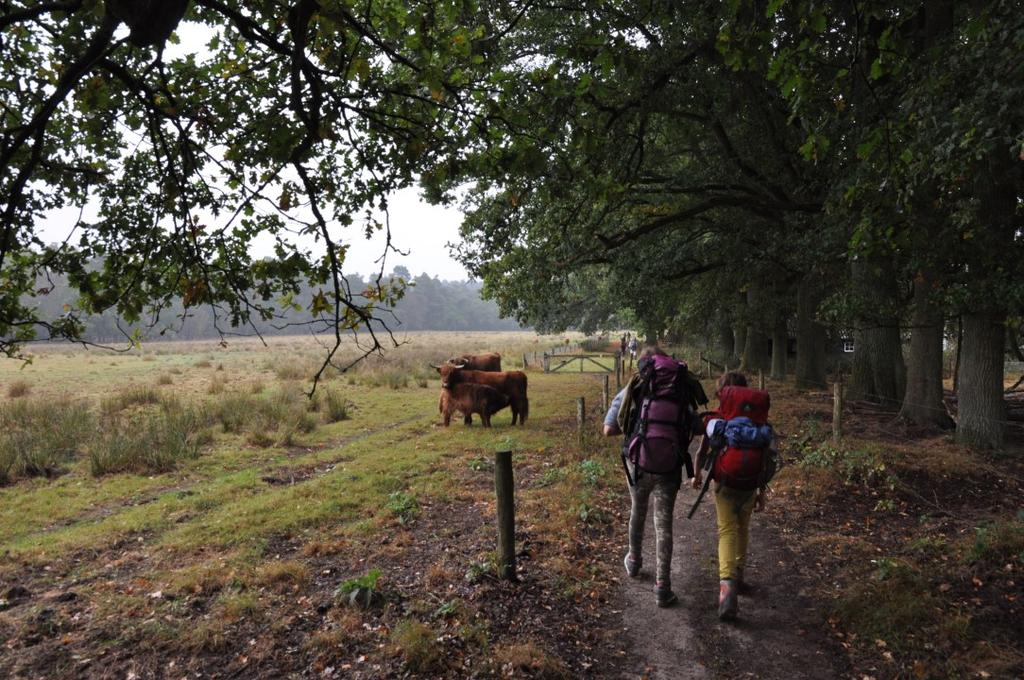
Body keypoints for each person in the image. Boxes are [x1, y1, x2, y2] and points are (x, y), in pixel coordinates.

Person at [603, 345, 706, 607]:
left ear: (643, 366)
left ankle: (634, 561)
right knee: (664, 524)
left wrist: (636, 430)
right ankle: (663, 587)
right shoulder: (678, 391)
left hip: (638, 463)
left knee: (638, 510)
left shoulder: (634, 387)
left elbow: (608, 429)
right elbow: (696, 426)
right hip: (669, 467)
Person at [691, 371, 769, 621]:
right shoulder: (758, 421)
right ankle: (739, 575)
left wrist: (697, 475)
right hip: (749, 483)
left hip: (725, 482)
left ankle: (727, 590)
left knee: (726, 530)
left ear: (722, 393)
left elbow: (702, 451)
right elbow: (767, 457)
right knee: (742, 528)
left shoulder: (718, 419)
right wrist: (761, 491)